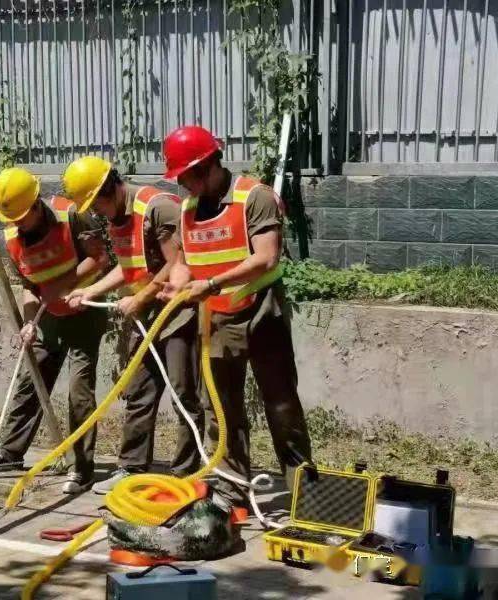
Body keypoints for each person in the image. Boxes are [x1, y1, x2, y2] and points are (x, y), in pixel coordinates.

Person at [159, 125, 312, 508]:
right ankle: (231, 488)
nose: (182, 186)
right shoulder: (188, 210)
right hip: (217, 319)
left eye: (185, 177)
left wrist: (209, 285)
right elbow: (183, 262)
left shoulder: (253, 197)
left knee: (280, 403)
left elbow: (266, 257)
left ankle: (303, 490)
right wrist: (177, 286)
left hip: (262, 311)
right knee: (222, 408)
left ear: (207, 165)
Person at [63, 156, 203, 495]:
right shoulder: (117, 219)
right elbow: (129, 267)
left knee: (184, 394)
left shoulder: (157, 208)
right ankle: (131, 467)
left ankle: (185, 474)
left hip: (177, 311)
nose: (94, 212)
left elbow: (177, 264)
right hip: (145, 315)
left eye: (95, 203)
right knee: (139, 391)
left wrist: (141, 299)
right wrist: (91, 289)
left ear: (109, 188)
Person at [0, 167, 109, 494]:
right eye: (11, 218)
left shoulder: (71, 215)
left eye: (21, 217)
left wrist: (64, 286)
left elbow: (100, 259)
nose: (17, 224)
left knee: (79, 390)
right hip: (48, 317)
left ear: (36, 204)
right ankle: (11, 453)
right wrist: (30, 322)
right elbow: (29, 287)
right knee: (32, 377)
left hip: (84, 310)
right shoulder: (11, 237)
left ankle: (82, 469)